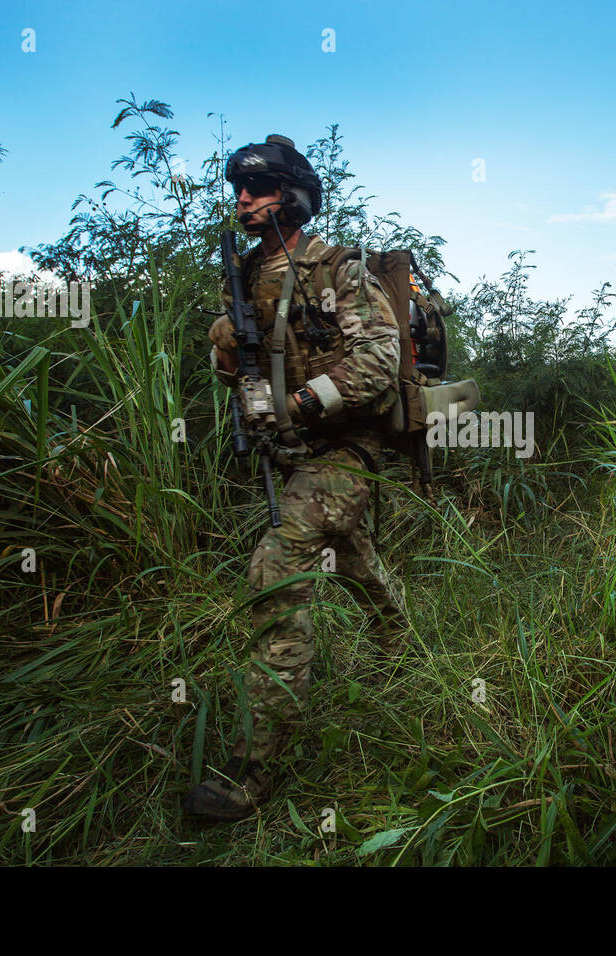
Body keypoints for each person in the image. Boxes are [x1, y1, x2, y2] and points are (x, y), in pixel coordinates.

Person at [183, 134, 408, 822]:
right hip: (289, 453)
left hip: (346, 447)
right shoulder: (244, 279)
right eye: (239, 190)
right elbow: (235, 368)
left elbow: (378, 361)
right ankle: (403, 641)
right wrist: (230, 356)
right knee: (346, 552)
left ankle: (252, 771)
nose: (243, 200)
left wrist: (301, 403)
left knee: (276, 572)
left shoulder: (338, 270)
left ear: (294, 196)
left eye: (258, 188)